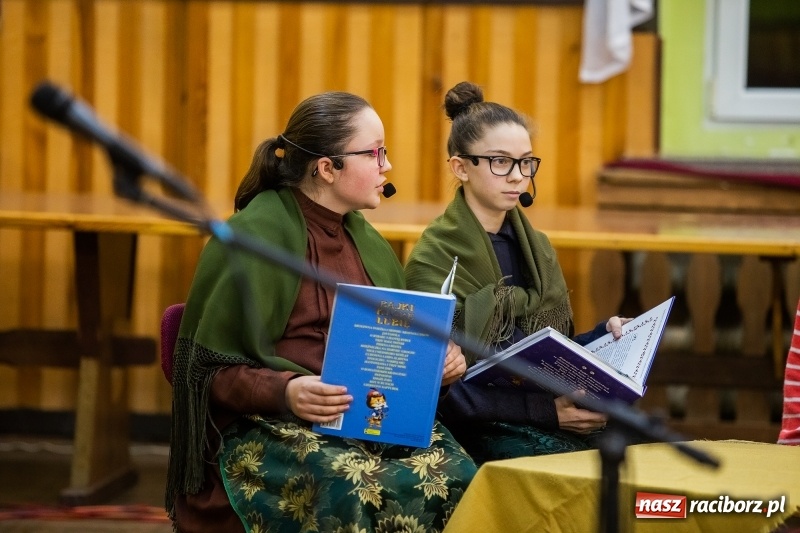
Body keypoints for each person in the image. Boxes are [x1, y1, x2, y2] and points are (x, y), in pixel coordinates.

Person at [166, 91, 477, 532]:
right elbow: (203, 372)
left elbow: (392, 347)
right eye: (375, 153)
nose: (387, 166)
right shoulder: (252, 239)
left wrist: (437, 361)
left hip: (367, 415)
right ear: (328, 168)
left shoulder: (366, 240)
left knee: (461, 476)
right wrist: (287, 391)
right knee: (353, 488)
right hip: (272, 424)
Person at [404, 81, 629, 464]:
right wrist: (548, 414)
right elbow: (438, 386)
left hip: (547, 405)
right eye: (500, 161)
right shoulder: (434, 258)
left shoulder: (537, 248)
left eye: (526, 161)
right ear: (460, 167)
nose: (517, 176)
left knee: (638, 446)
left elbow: (545, 346)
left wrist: (605, 336)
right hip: (479, 421)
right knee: (568, 470)